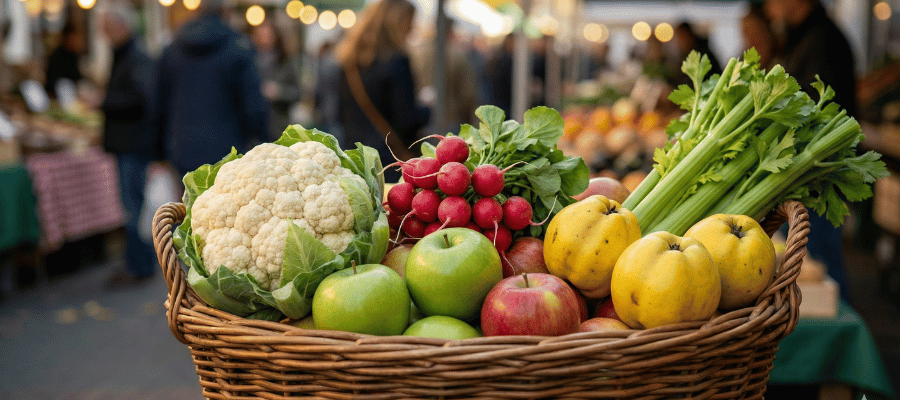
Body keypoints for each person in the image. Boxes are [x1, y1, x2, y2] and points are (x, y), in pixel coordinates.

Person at [765, 0, 856, 301]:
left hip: (817, 174)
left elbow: (816, 111)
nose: (769, 6)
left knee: (821, 265)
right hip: (806, 171)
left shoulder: (823, 41)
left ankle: (840, 322)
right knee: (815, 261)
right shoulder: (802, 37)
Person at [153, 0, 269, 178]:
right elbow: (253, 104)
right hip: (228, 148)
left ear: (197, 10)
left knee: (188, 195)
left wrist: (159, 151)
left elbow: (158, 103)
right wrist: (261, 139)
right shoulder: (238, 47)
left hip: (181, 148)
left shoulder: (172, 48)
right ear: (225, 11)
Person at [331, 0, 429, 182]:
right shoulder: (397, 61)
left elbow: (339, 114)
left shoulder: (349, 61)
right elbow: (406, 119)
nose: (412, 28)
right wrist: (428, 109)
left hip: (354, 156)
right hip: (389, 162)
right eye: (410, 22)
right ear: (397, 23)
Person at [98, 3, 158, 285]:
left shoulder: (135, 57)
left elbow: (140, 99)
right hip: (127, 143)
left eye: (107, 28)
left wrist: (103, 102)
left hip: (133, 143)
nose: (103, 33)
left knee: (134, 207)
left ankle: (140, 265)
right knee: (133, 206)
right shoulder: (125, 54)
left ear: (121, 26)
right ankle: (138, 263)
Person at [250, 22, 301, 141]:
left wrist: (279, 92)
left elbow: (298, 93)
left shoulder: (285, 62)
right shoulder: (249, 60)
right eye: (261, 35)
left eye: (267, 35)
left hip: (278, 126)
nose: (264, 39)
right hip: (254, 127)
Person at [45, 23, 85, 98]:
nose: (76, 41)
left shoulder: (75, 55)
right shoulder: (57, 57)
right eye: (74, 38)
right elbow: (54, 82)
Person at [741, 4, 779, 70]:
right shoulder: (742, 62)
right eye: (746, 33)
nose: (752, 40)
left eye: (756, 33)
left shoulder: (784, 64)